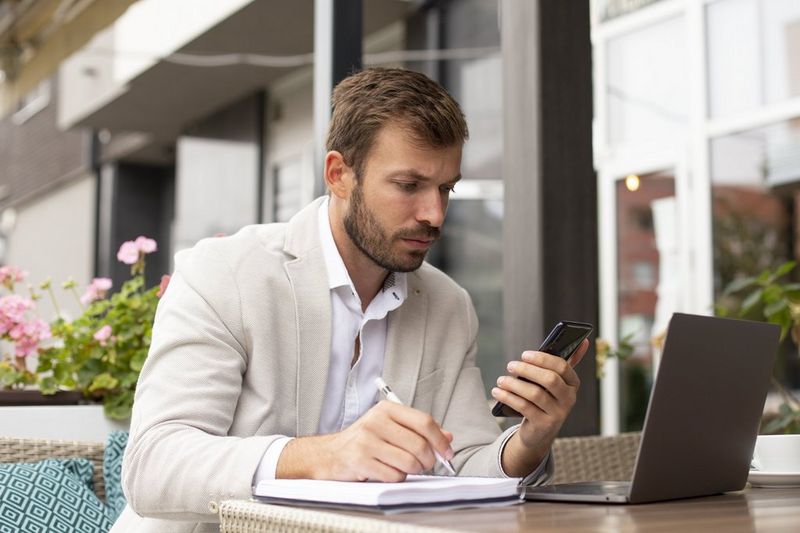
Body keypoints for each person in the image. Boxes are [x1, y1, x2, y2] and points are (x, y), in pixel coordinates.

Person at [111, 67, 587, 532]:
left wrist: (529, 439)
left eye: (446, 188)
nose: (434, 214)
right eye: (408, 186)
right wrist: (328, 455)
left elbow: (460, 464)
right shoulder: (225, 273)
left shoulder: (447, 303)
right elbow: (153, 466)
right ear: (339, 175)